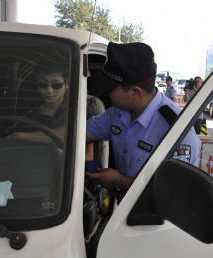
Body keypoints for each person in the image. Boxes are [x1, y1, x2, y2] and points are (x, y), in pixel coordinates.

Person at [86, 42, 201, 192]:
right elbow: (81, 133)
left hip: (157, 214)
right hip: (122, 211)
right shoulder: (118, 113)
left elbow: (173, 192)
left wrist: (119, 180)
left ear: (135, 92)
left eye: (110, 89)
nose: (105, 93)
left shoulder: (177, 131)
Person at [7, 68, 68, 144]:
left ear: (66, 85)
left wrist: (22, 136)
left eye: (56, 85)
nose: (49, 90)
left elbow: (67, 135)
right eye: (43, 85)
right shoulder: (28, 107)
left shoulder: (73, 109)